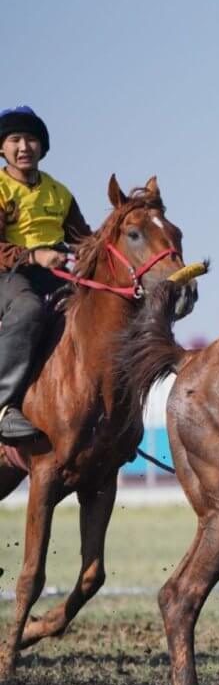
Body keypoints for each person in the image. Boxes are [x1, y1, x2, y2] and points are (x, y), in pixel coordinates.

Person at [0, 106, 91, 442]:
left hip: (54, 275)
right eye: (15, 139)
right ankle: (3, 406)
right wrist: (34, 255)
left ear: (43, 146)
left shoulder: (59, 192)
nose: (24, 147)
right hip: (7, 276)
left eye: (32, 139)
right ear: (2, 148)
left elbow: (83, 238)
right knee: (28, 309)